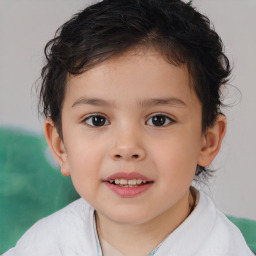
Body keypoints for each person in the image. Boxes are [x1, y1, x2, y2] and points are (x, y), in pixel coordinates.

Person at [3, 0, 254, 255]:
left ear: (207, 140)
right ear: (60, 146)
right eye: (97, 120)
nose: (127, 147)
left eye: (159, 119)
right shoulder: (40, 246)